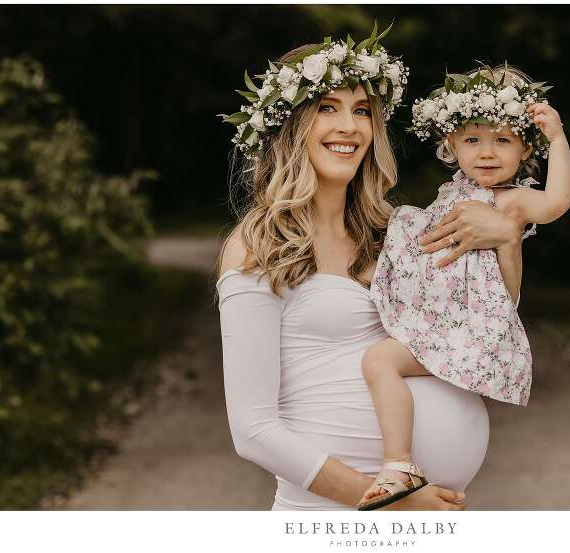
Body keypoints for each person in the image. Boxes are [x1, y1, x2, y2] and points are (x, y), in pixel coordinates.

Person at [215, 27, 528, 510]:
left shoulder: (394, 235)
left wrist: (506, 235)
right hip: (329, 515)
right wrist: (390, 501)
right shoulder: (258, 247)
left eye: (362, 111)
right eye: (327, 108)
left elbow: (488, 317)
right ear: (289, 125)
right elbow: (253, 432)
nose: (350, 126)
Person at [356, 64, 570, 510]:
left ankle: (398, 463)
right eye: (473, 139)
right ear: (451, 145)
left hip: (472, 328)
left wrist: (558, 139)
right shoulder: (453, 193)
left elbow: (557, 203)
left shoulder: (512, 201)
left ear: (524, 147)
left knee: (380, 360)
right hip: (445, 318)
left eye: (503, 140)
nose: (487, 153)